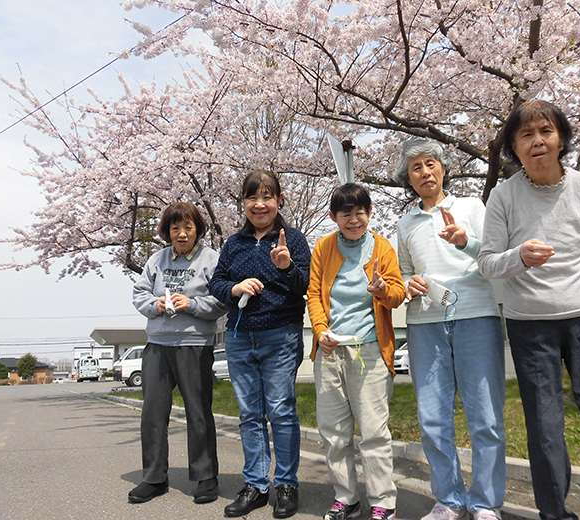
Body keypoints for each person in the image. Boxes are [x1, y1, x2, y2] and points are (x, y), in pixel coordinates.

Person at [478, 100, 580, 520]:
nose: (537, 141)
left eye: (545, 131)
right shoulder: (503, 196)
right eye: (525, 135)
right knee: (545, 428)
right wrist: (519, 257)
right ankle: (555, 514)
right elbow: (488, 261)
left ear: (561, 138)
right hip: (530, 326)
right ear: (514, 146)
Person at [394, 139, 507, 520]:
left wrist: (466, 241)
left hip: (477, 317)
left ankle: (486, 503)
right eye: (416, 168)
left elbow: (493, 256)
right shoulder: (405, 223)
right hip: (425, 323)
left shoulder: (472, 207)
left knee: (485, 417)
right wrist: (408, 284)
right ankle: (449, 500)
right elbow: (405, 271)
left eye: (430, 164)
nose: (425, 172)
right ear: (408, 179)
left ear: (443, 168)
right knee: (432, 418)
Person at [210, 170, 311, 519]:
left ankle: (286, 484)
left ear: (279, 200)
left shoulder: (293, 239)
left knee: (281, 410)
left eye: (267, 197)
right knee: (249, 413)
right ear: (244, 203)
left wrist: (284, 267)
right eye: (253, 198)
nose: (260, 204)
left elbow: (304, 285)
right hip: (239, 336)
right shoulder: (234, 243)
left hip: (280, 334)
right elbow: (217, 282)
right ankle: (255, 484)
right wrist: (234, 289)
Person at [307, 183, 405, 520]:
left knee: (374, 431)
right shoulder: (323, 247)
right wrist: (321, 333)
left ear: (369, 212)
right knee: (334, 432)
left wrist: (382, 290)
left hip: (370, 351)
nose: (354, 219)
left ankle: (383, 503)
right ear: (333, 216)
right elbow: (315, 295)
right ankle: (346, 497)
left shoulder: (382, 247)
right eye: (346, 212)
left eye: (360, 211)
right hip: (330, 351)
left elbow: (397, 294)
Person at [130, 201, 228, 504]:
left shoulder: (212, 259)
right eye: (175, 228)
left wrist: (194, 305)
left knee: (198, 412)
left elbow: (222, 299)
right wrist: (155, 305)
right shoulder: (156, 261)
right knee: (152, 414)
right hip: (158, 345)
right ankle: (154, 477)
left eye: (188, 227)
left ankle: (205, 476)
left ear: (198, 229)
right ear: (167, 232)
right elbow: (139, 293)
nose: (182, 233)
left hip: (194, 345)